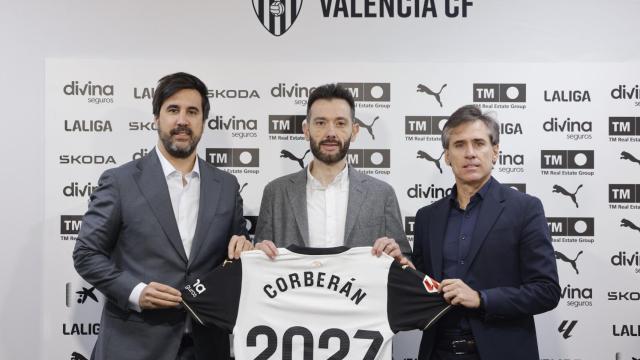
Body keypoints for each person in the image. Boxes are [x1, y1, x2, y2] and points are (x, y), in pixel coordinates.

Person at [73, 72, 253, 360]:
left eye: (192, 112)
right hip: (133, 345)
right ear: (156, 118)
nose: (182, 120)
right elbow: (86, 253)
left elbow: (233, 257)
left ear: (203, 123)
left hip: (207, 347)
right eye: (173, 110)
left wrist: (244, 249)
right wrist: (135, 292)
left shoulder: (226, 186)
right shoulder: (120, 181)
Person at [412, 105, 560, 360]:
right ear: (447, 156)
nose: (470, 153)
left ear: (495, 152)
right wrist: (401, 268)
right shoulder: (427, 217)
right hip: (438, 352)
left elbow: (546, 291)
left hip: (501, 352)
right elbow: (423, 290)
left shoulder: (525, 209)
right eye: (459, 145)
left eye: (479, 143)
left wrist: (482, 299)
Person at [254, 83, 410, 263]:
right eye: (320, 123)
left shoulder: (382, 195)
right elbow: (260, 264)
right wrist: (259, 255)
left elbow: (404, 263)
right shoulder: (275, 193)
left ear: (354, 131)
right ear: (306, 131)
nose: (330, 133)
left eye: (340, 123)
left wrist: (401, 259)